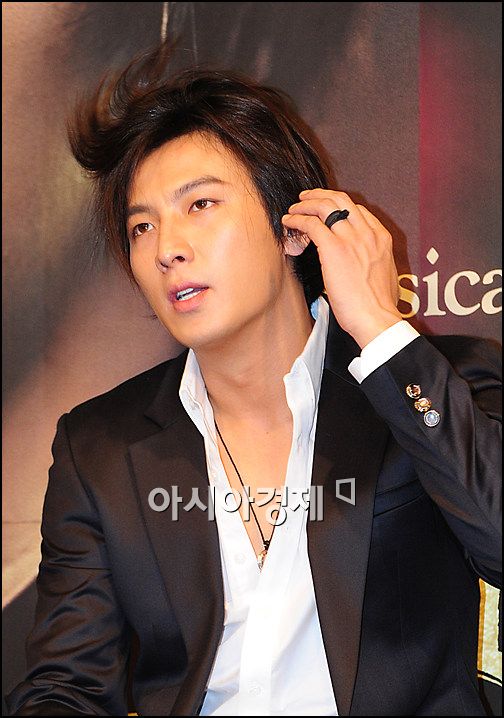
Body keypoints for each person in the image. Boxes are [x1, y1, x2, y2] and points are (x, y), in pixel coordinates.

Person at [6, 43, 501, 717]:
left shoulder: (438, 384)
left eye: (200, 204)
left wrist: (381, 330)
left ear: (294, 229)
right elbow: (66, 688)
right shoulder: (99, 446)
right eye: (141, 226)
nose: (166, 248)